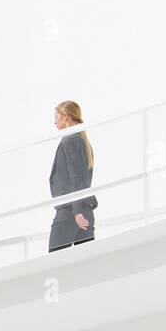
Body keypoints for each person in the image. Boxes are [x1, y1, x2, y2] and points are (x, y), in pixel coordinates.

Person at [49, 101, 97, 252]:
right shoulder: (84, 142)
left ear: (66, 116)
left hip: (71, 212)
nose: (54, 121)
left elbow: (76, 178)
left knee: (53, 263)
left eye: (57, 117)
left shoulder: (69, 140)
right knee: (85, 265)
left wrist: (76, 212)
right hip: (85, 211)